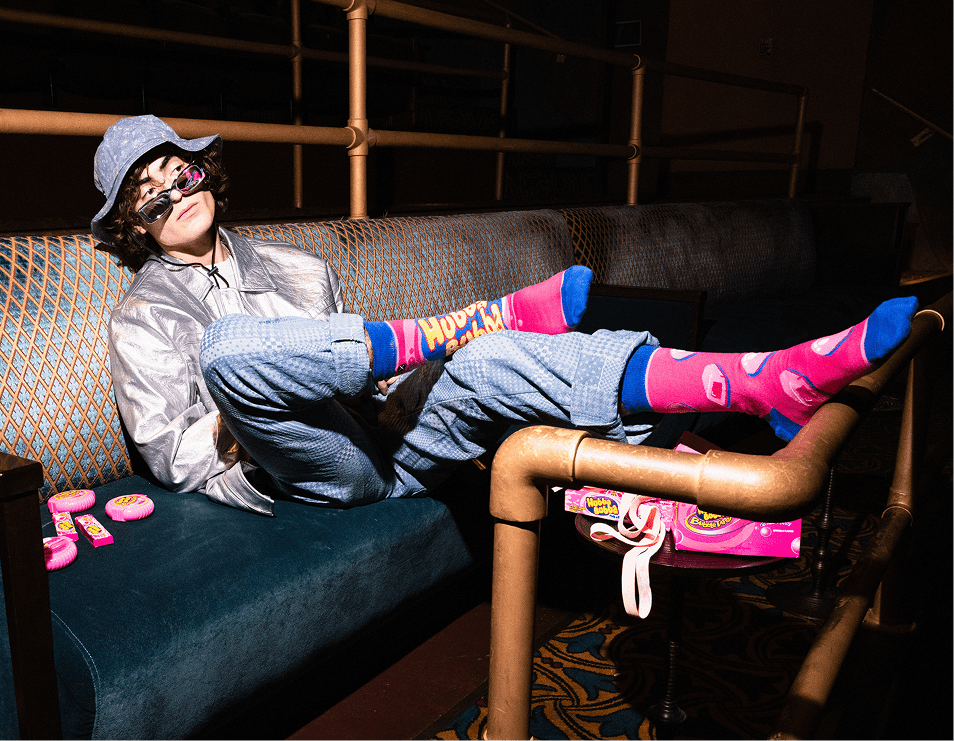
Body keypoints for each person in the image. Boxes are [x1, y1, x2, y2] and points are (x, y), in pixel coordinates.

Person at [93, 115, 918, 517]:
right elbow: (171, 461)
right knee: (235, 348)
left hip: (388, 442)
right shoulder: (142, 318)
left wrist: (396, 382)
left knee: (490, 355)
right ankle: (451, 324)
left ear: (206, 175)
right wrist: (248, 409)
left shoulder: (302, 269)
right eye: (148, 193)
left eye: (178, 172)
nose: (170, 195)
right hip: (306, 469)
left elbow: (359, 380)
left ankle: (754, 381)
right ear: (133, 224)